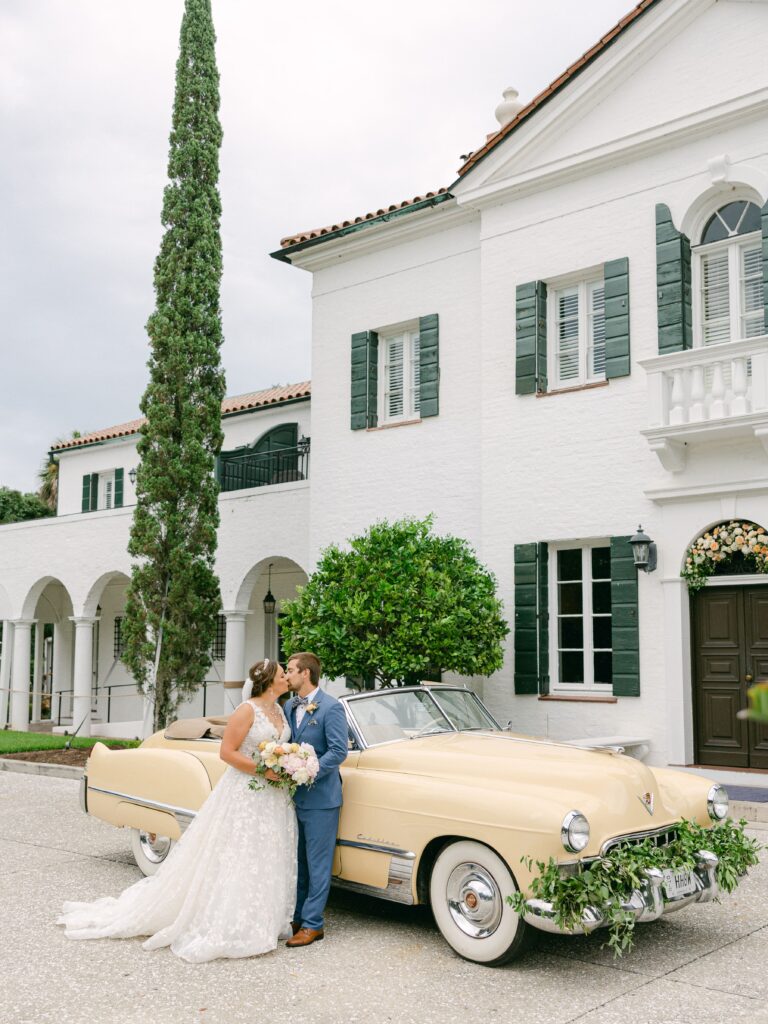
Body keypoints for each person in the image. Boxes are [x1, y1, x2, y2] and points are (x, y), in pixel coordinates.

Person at [58, 659, 297, 963]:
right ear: (268, 681)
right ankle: (234, 921)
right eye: (281, 674)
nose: (286, 678)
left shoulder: (279, 710)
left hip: (275, 798)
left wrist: (290, 764)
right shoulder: (247, 710)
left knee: (266, 853)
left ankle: (266, 918)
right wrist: (265, 770)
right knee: (240, 852)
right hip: (246, 793)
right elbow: (227, 753)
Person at [284, 651, 349, 948]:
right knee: (299, 861)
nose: (286, 675)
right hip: (293, 798)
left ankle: (313, 924)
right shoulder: (289, 706)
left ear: (305, 673)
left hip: (322, 798)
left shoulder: (331, 707)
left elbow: (338, 751)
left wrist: (308, 772)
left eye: (290, 670)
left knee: (318, 863)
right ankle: (297, 917)